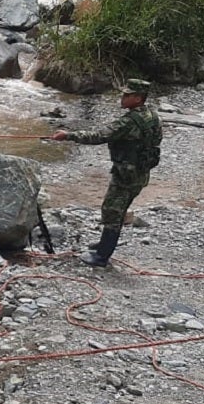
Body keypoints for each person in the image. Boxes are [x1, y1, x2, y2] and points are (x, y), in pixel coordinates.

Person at [51, 78, 163, 267]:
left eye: (127, 95)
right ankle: (104, 244)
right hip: (142, 173)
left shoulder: (129, 122)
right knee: (119, 209)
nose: (122, 98)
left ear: (138, 98)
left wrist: (68, 136)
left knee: (112, 212)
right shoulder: (152, 116)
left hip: (126, 175)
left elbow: (99, 136)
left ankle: (102, 256)